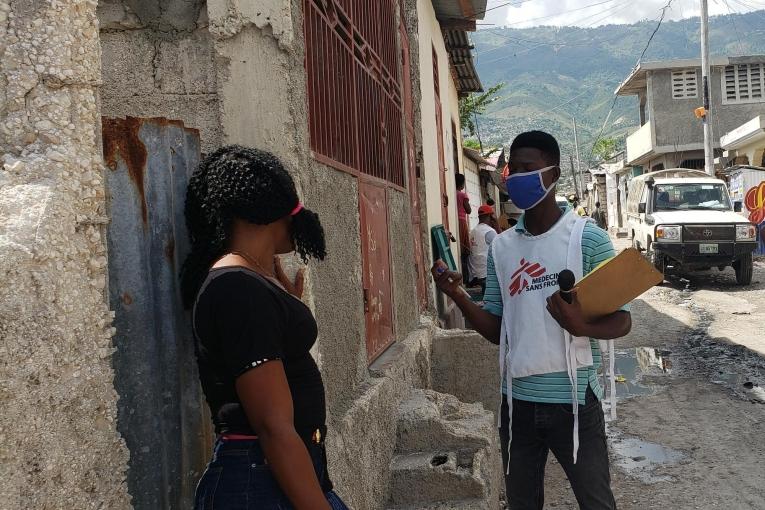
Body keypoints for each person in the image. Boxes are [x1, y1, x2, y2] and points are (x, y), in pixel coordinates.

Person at [432, 131, 631, 510]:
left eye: (528, 169)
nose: (516, 178)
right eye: (513, 169)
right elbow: (497, 329)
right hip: (517, 404)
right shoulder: (502, 248)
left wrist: (581, 326)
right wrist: (457, 295)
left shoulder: (587, 240)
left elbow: (622, 320)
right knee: (522, 503)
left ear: (552, 173)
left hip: (574, 403)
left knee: (596, 502)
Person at [181, 146, 348, 510]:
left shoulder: (252, 279)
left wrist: (285, 307)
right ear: (264, 210)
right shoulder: (238, 287)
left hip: (272, 474)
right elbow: (273, 426)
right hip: (258, 479)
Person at [468, 205, 499, 294]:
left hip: (476, 272)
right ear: (491, 216)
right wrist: (496, 224)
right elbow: (502, 246)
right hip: (487, 273)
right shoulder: (489, 232)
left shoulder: (473, 231)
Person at [456, 173, 472, 281]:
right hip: (461, 221)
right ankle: (466, 278)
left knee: (460, 247)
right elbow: (469, 210)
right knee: (465, 250)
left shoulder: (453, 193)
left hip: (456, 220)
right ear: (461, 184)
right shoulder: (462, 195)